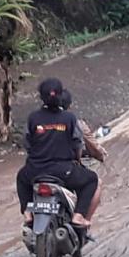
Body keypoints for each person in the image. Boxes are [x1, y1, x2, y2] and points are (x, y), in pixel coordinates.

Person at [17, 78, 99, 229]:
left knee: (21, 178)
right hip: (63, 171)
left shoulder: (33, 118)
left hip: (35, 170)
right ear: (61, 96)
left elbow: (27, 143)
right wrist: (77, 160)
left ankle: (28, 213)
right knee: (92, 179)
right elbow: (77, 144)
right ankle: (79, 216)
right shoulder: (69, 118)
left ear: (41, 97)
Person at [59, 89, 105, 224]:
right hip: (64, 169)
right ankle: (82, 220)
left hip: (38, 169)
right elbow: (82, 147)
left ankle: (28, 215)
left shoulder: (39, 121)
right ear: (69, 106)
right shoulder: (75, 123)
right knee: (94, 181)